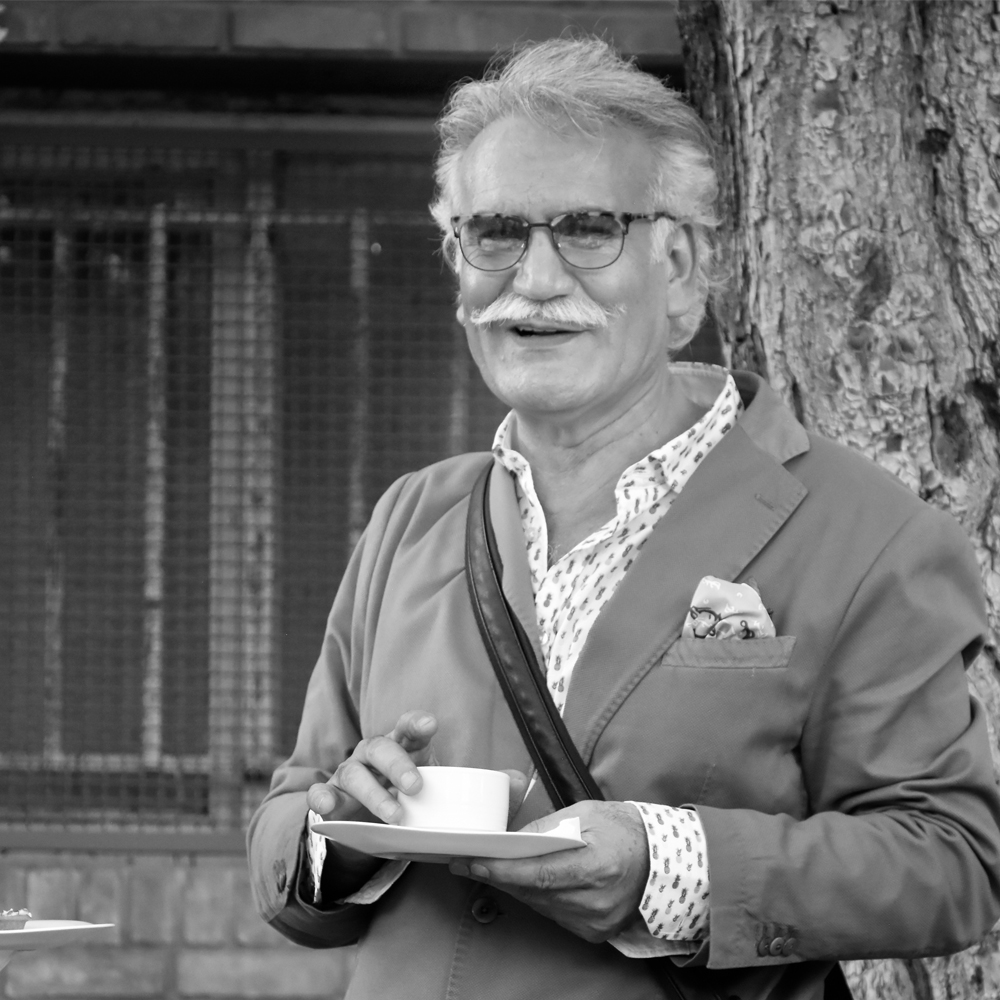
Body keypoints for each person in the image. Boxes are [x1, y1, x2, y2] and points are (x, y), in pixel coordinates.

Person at [247, 37, 1000, 1000]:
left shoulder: (867, 534)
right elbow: (285, 833)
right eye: (495, 233)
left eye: (588, 229)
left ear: (679, 267)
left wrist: (670, 868)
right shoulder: (411, 518)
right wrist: (341, 832)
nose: (536, 278)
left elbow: (952, 863)